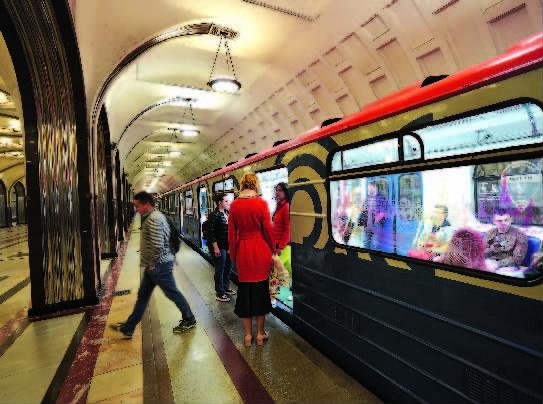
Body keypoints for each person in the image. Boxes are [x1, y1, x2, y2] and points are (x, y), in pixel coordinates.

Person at [110, 191, 196, 338]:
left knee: (172, 293)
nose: (136, 209)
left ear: (146, 204)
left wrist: (152, 264)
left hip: (159, 266)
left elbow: (157, 245)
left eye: (138, 206)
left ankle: (189, 319)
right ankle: (129, 327)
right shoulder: (152, 216)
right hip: (155, 266)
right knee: (143, 296)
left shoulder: (154, 219)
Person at [228, 173, 274, 347]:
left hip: (243, 252)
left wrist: (233, 255)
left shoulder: (234, 205)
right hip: (261, 250)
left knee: (245, 292)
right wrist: (273, 249)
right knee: (260, 292)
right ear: (255, 184)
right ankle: (260, 334)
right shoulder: (261, 203)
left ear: (242, 185)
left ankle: (248, 336)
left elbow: (232, 234)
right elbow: (268, 230)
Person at [207, 192, 236, 302]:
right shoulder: (214, 215)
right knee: (220, 269)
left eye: (229, 201)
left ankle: (225, 287)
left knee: (228, 267)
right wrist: (215, 247)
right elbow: (211, 233)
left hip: (227, 246)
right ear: (220, 202)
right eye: (226, 201)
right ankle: (219, 292)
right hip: (219, 246)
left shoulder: (227, 213)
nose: (229, 203)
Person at [270, 182, 291, 306]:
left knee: (275, 274)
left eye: (280, 190)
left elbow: (288, 229)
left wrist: (280, 247)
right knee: (284, 272)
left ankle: (272, 298)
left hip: (283, 246)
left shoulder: (286, 207)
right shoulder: (279, 206)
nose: (277, 192)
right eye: (276, 190)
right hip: (279, 244)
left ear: (285, 191)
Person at [358, 181, 390, 250]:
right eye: (368, 187)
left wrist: (373, 222)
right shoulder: (367, 198)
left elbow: (382, 213)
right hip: (366, 224)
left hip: (376, 224)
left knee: (374, 245)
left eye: (370, 187)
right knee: (366, 243)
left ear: (375, 187)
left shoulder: (381, 198)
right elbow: (363, 210)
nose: (368, 189)